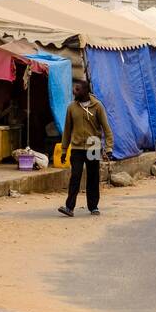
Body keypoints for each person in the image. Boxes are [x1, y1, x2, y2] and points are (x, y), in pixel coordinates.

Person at [59, 79, 114, 217]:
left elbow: (107, 129)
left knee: (93, 177)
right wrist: (64, 150)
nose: (74, 91)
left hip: (94, 145)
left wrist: (109, 148)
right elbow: (67, 130)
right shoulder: (71, 107)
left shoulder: (98, 106)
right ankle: (69, 207)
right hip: (77, 147)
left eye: (77, 89)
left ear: (85, 91)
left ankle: (93, 207)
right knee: (75, 176)